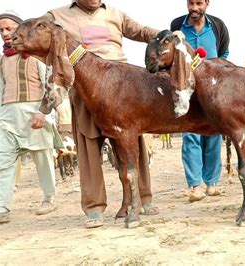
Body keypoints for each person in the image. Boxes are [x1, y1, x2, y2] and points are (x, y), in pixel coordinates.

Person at [46, 0, 160, 228]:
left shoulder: (115, 13)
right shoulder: (56, 17)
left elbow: (139, 31)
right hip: (86, 88)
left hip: (122, 88)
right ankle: (94, 208)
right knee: (88, 147)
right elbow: (38, 32)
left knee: (131, 144)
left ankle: (143, 199)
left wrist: (165, 36)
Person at [0, 10, 57, 224]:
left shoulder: (38, 55)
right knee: (3, 160)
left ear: (21, 28)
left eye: (9, 28)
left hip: (35, 112)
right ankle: (2, 206)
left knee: (42, 157)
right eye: (0, 30)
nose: (5, 33)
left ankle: (49, 197)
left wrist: (43, 112)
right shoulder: (1, 61)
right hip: (7, 115)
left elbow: (51, 86)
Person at [171, 0, 229, 202]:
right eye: (190, 3)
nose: (194, 8)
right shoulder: (176, 25)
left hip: (213, 93)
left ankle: (212, 184)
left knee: (213, 135)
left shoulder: (218, 26)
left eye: (198, 3)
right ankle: (195, 186)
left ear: (207, 3)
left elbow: (224, 55)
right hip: (187, 92)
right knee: (190, 136)